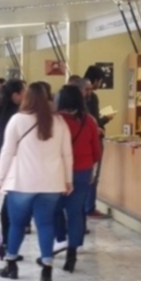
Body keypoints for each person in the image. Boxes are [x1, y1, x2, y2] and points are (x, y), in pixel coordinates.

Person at [0, 82, 73, 281]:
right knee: (46, 224)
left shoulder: (17, 120)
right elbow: (67, 154)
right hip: (51, 183)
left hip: (22, 183)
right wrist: (68, 180)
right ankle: (46, 269)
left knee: (17, 224)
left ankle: (11, 265)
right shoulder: (59, 122)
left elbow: (7, 152)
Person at [54, 84, 101, 271]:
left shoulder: (55, 121)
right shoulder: (89, 120)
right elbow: (96, 151)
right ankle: (72, 253)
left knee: (55, 208)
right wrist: (92, 169)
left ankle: (60, 239)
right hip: (82, 171)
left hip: (58, 172)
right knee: (75, 212)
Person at [0, 78, 26, 253]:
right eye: (24, 92)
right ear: (15, 95)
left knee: (10, 202)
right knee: (10, 205)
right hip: (14, 161)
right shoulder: (14, 115)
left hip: (6, 159)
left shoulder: (2, 111)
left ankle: (7, 242)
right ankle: (8, 244)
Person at [83, 65, 114, 216]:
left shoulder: (76, 96)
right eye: (100, 81)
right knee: (93, 175)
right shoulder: (92, 97)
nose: (99, 85)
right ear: (95, 80)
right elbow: (94, 121)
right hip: (93, 141)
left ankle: (84, 207)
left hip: (81, 144)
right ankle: (89, 207)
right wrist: (105, 119)